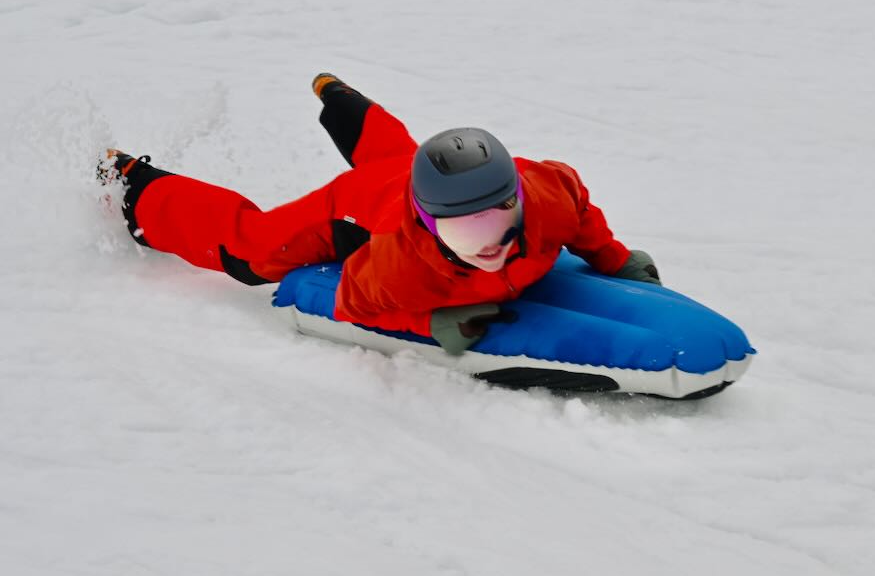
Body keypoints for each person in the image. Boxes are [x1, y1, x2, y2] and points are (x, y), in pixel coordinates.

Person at [100, 74, 661, 354]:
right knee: (252, 250)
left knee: (401, 160)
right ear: (430, 227)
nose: (488, 244)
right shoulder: (401, 263)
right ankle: (136, 186)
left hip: (406, 181)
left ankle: (340, 97)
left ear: (518, 199)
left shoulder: (549, 197)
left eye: (495, 219)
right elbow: (351, 301)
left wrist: (614, 259)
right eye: (464, 230)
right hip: (354, 209)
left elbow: (580, 208)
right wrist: (427, 323)